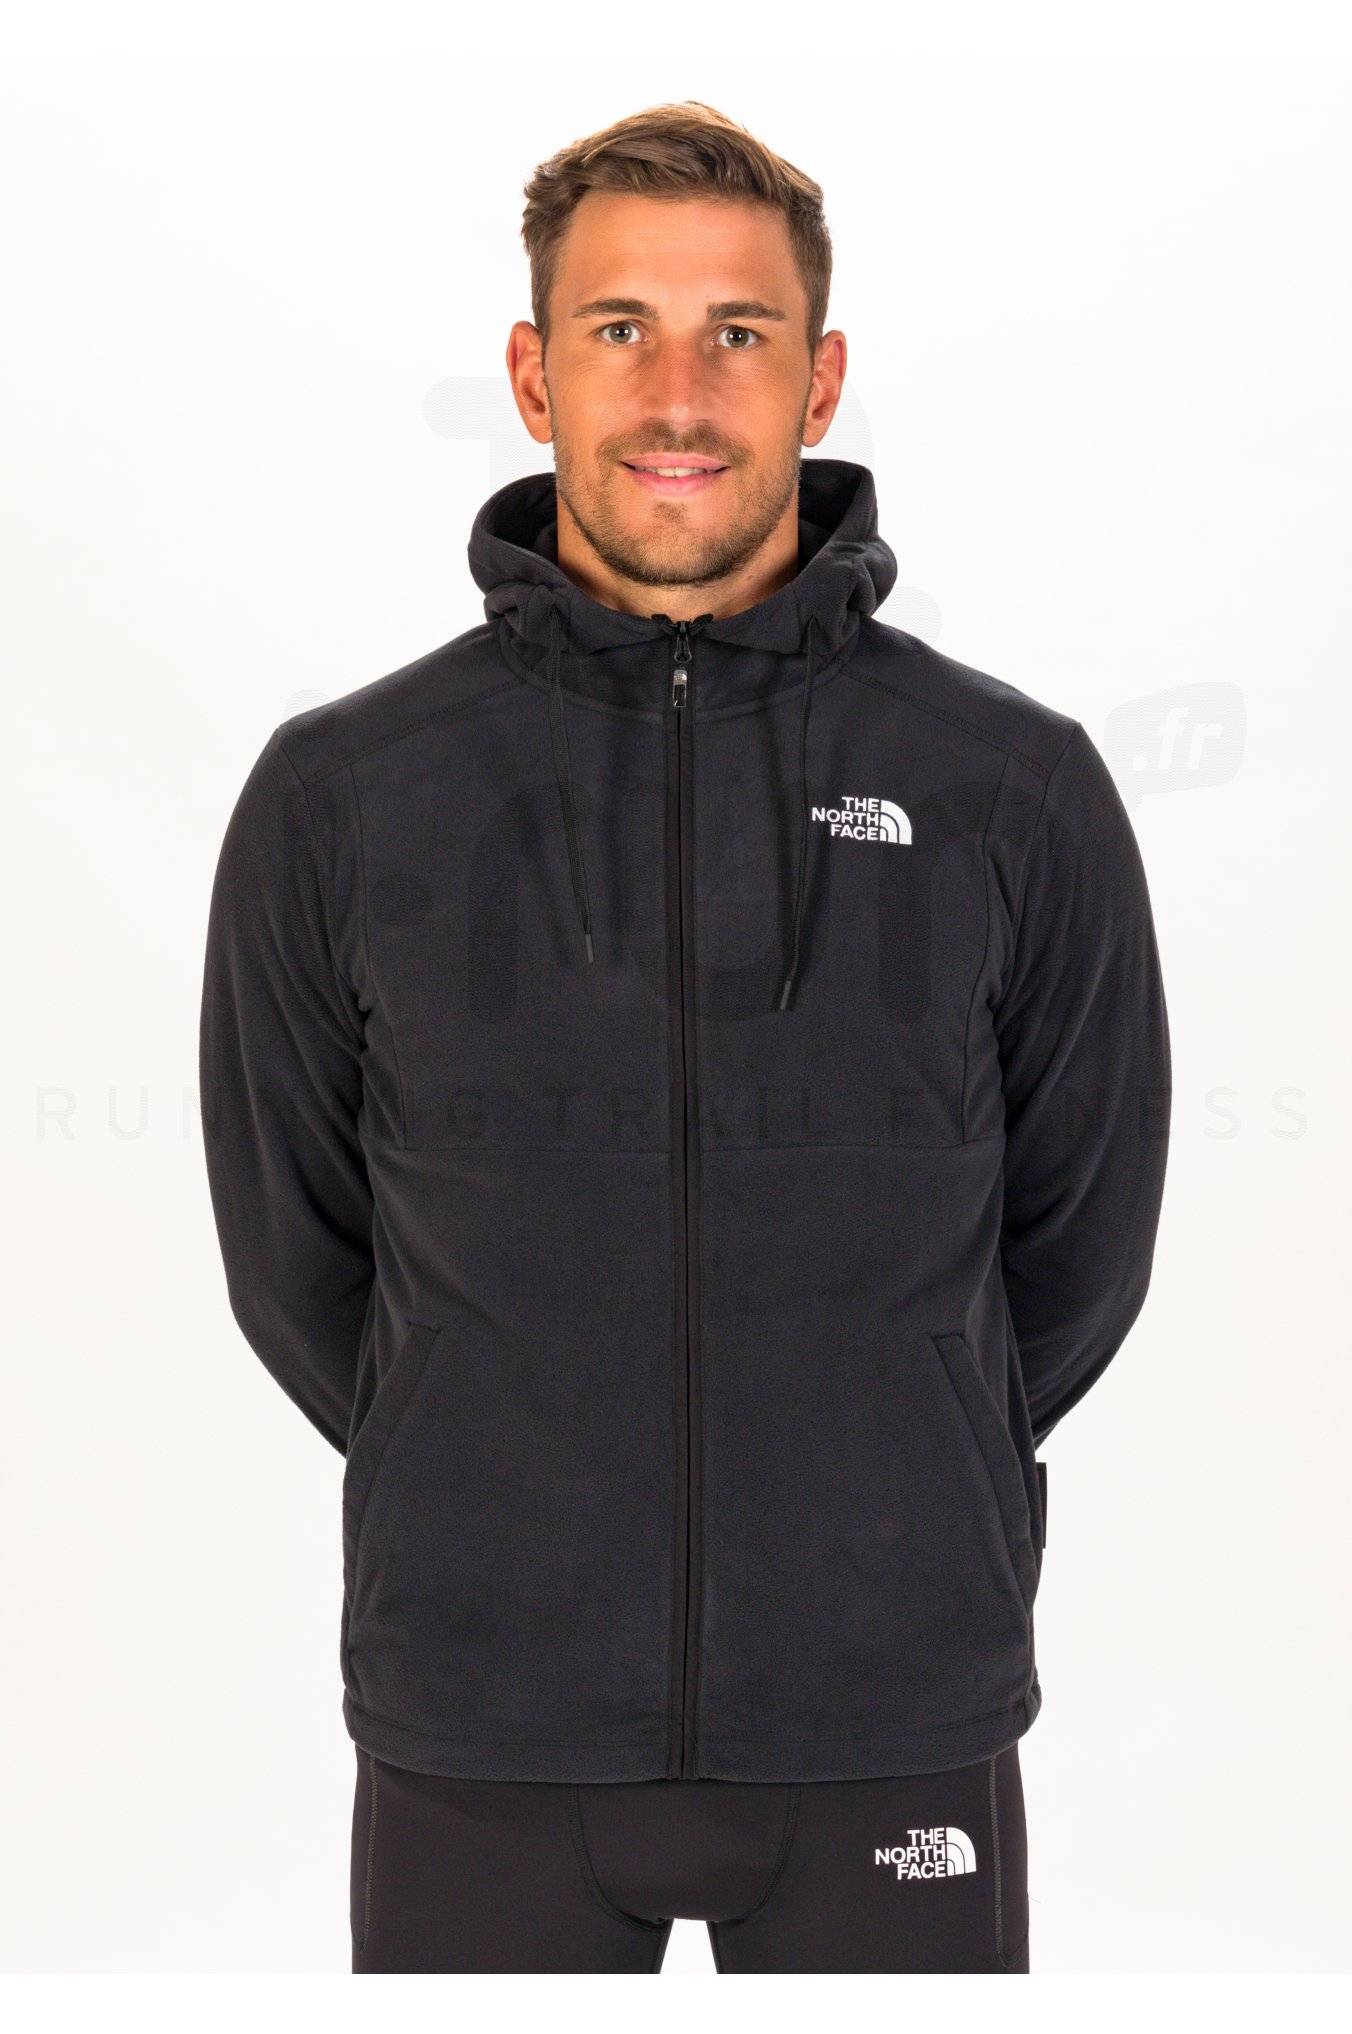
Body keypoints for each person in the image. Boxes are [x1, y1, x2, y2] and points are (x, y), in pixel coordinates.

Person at [198, 100, 1171, 1973]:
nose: (676, 391)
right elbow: (295, 1252)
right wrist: (472, 1446)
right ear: (531, 374)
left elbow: (1082, 1236)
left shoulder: (1009, 787)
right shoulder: (347, 794)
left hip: (890, 1694)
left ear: (820, 380)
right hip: (484, 1704)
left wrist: (908, 1443)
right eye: (618, 327)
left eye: (738, 331)